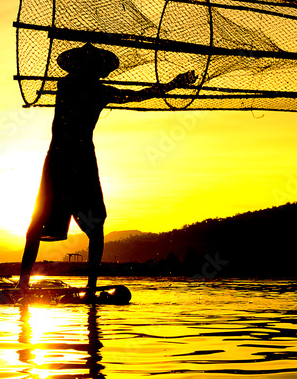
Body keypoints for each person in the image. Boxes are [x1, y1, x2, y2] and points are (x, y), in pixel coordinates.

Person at [18, 43, 195, 293]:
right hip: (60, 159)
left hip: (82, 160)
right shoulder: (67, 86)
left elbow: (139, 95)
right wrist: (173, 85)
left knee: (95, 225)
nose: (91, 71)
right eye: (86, 65)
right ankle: (23, 282)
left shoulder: (99, 91)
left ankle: (91, 285)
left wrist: (173, 85)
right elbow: (136, 95)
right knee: (37, 223)